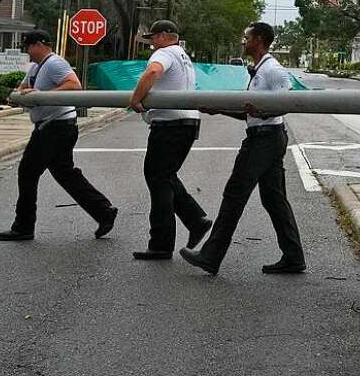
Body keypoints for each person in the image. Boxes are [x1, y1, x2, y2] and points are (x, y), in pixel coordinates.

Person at [180, 22, 305, 276]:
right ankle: (293, 257)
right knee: (274, 199)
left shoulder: (272, 70)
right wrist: (219, 109)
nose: (243, 41)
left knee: (234, 194)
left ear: (258, 40)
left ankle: (211, 255)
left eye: (246, 37)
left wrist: (264, 111)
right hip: (266, 136)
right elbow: (251, 114)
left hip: (264, 140)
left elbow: (287, 101)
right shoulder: (259, 71)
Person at [0, 30, 117, 241]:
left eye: (29, 46)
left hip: (55, 127)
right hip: (53, 127)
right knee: (65, 174)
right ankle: (103, 211)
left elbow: (74, 84)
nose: (27, 51)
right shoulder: (36, 67)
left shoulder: (54, 63)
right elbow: (25, 88)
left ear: (40, 45)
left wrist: (43, 95)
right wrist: (21, 95)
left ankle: (23, 227)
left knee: (27, 172)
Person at [128, 20, 211, 260]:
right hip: (187, 122)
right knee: (164, 176)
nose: (152, 42)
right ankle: (196, 220)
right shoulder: (183, 55)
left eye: (153, 37)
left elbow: (153, 71)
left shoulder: (164, 53)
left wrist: (136, 98)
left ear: (165, 36)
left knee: (157, 178)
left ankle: (162, 243)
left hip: (169, 124)